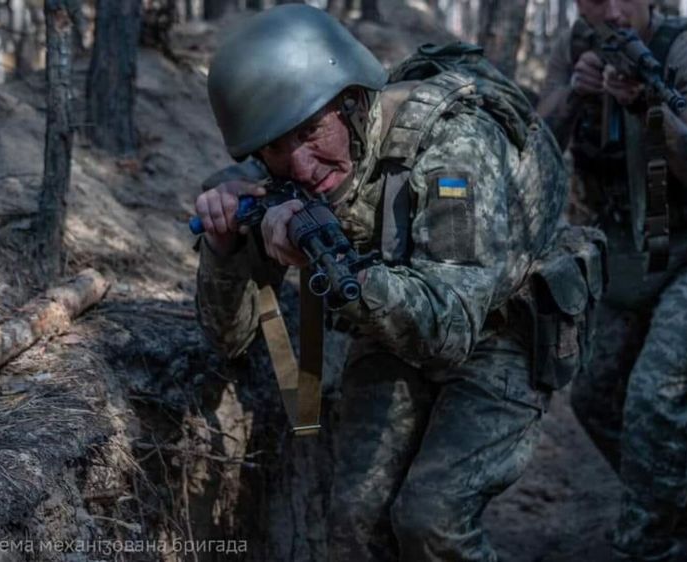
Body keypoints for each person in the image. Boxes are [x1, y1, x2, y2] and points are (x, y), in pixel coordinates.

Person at [193, 5, 573, 561]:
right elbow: (229, 340)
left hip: (503, 326)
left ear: (352, 100)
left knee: (430, 519)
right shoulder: (281, 177)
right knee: (353, 521)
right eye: (276, 146)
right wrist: (225, 248)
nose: (301, 165)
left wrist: (327, 266)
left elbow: (450, 330)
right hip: (393, 322)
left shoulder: (454, 150)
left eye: (310, 130)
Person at [537, 0, 687, 560]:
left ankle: (646, 542)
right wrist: (576, 94)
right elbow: (538, 150)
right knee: (592, 396)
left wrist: (650, 106)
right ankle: (677, 500)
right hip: (631, 256)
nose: (610, 10)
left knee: (652, 391)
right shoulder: (575, 45)